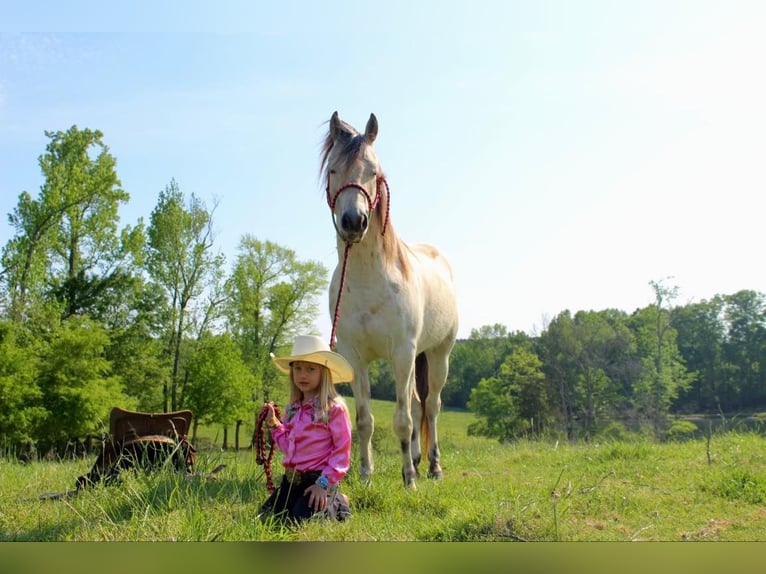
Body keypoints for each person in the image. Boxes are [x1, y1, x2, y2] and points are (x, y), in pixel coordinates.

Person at [259, 335, 353, 524]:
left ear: (323, 373)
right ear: (292, 372)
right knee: (268, 517)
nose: (303, 375)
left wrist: (323, 484)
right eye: (298, 368)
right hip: (292, 480)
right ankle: (319, 500)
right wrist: (274, 424)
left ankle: (337, 501)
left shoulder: (333, 409)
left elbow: (342, 453)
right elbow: (289, 447)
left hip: (318, 479)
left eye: (311, 369)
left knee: (300, 520)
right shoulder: (293, 409)